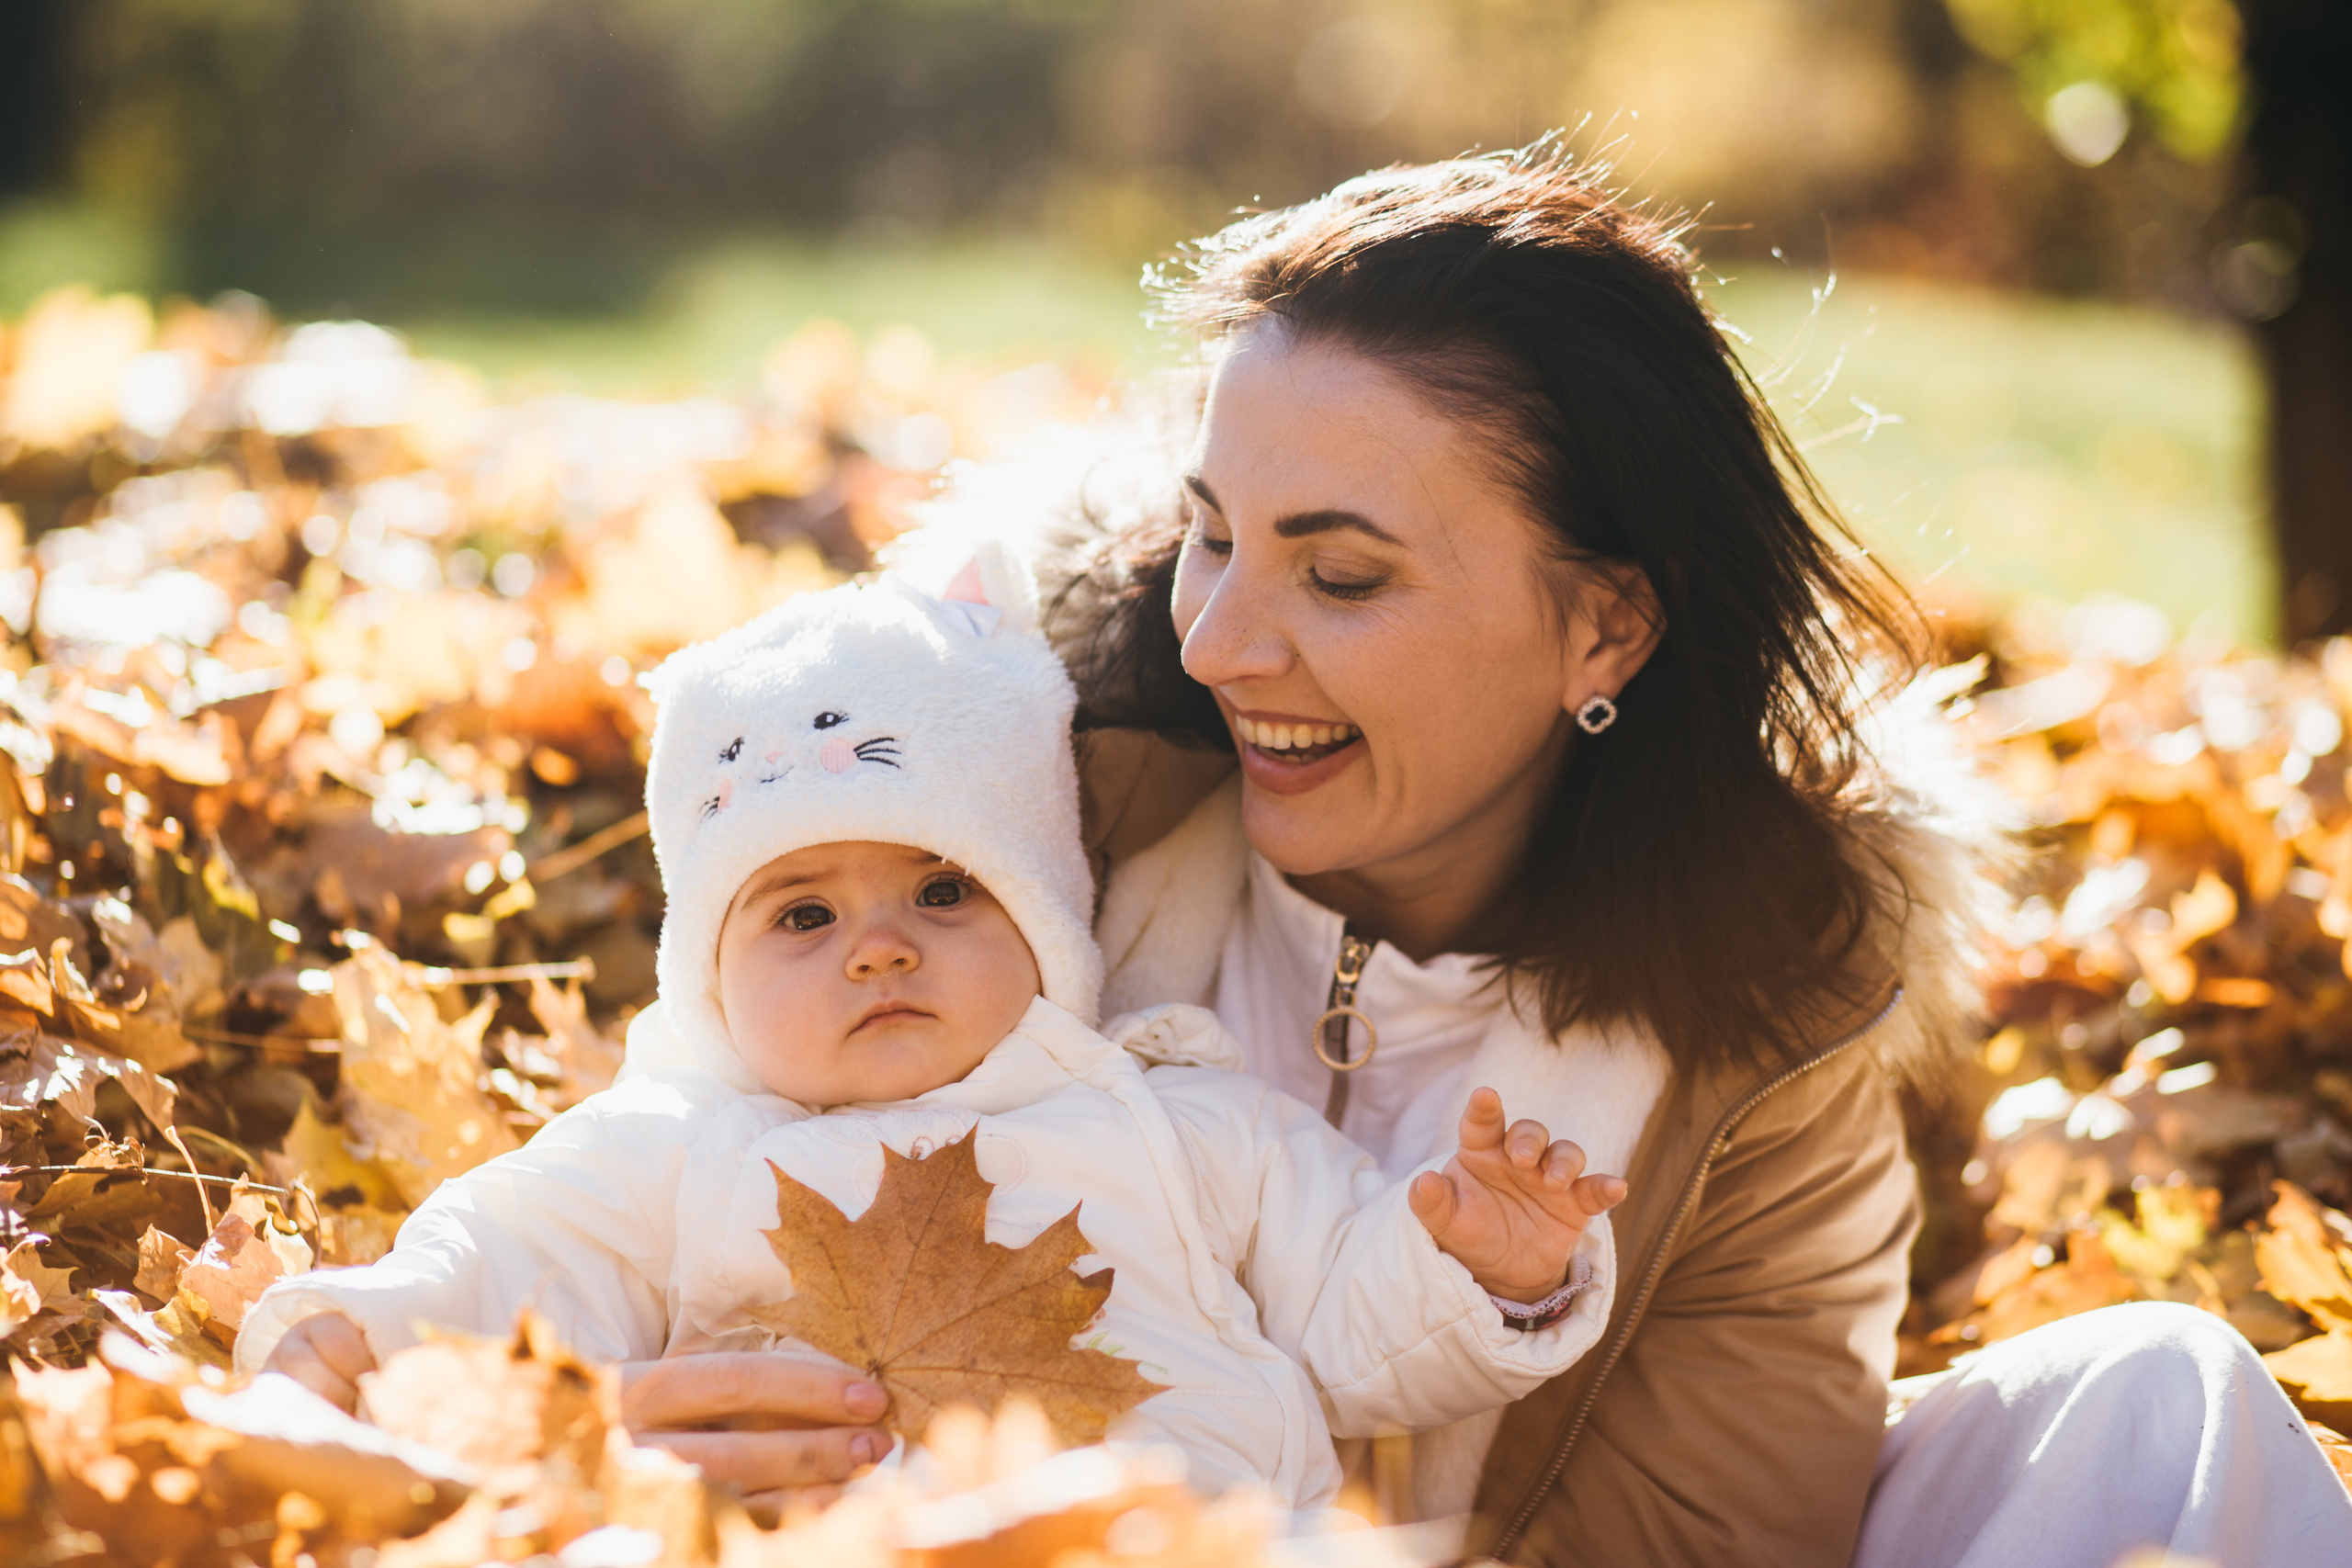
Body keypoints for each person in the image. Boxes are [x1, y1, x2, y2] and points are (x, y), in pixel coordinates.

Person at [613, 149, 2352, 1566]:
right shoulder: (1032, 795)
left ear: (1603, 630)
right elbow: (671, 1126)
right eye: (1210, 539)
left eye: (1341, 577)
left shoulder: (1767, 997)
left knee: (2159, 1396)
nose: (1219, 644)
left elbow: (1709, 1542)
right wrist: (633, 1413)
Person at [236, 555, 1633, 1509]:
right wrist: (367, 1338)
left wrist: (1476, 1266)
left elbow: (1351, 1320)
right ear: (712, 971)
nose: (882, 944)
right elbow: (504, 1259)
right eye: (800, 917)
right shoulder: (676, 1145)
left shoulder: (1179, 1117)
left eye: (945, 890)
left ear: (1048, 922)